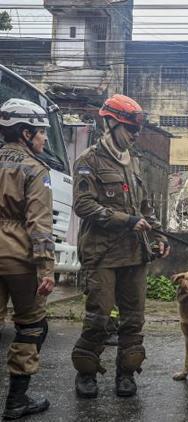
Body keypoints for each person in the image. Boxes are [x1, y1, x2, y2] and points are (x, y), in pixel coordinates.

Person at [71, 94, 170, 399]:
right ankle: (87, 374)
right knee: (99, 316)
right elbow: (83, 205)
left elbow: (145, 208)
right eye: (129, 128)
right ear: (111, 123)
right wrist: (126, 220)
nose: (134, 135)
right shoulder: (89, 161)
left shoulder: (133, 162)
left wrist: (158, 237)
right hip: (101, 255)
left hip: (133, 255)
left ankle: (126, 374)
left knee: (133, 318)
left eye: (136, 130)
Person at [0, 98, 56, 419]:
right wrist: (46, 267)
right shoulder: (35, 169)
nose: (44, 138)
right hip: (20, 260)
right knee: (32, 326)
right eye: (40, 132)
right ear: (24, 133)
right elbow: (39, 224)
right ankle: (16, 401)